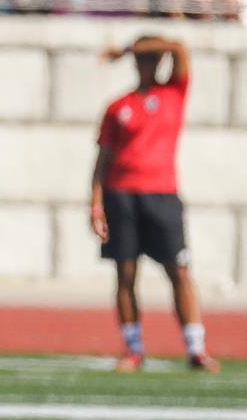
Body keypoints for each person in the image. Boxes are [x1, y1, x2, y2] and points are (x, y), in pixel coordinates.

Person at [90, 36, 217, 372]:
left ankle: (196, 348)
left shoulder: (173, 93)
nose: (148, 64)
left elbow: (180, 48)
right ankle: (133, 350)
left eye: (152, 58)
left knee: (179, 271)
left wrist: (127, 47)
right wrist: (95, 203)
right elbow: (103, 158)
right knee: (126, 273)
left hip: (162, 195)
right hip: (121, 195)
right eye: (143, 59)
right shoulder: (118, 106)